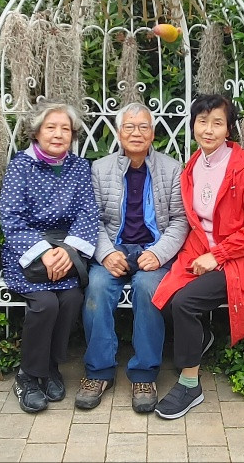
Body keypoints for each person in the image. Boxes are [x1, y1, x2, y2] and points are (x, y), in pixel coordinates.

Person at [150, 94, 244, 420]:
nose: (208, 130)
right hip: (200, 251)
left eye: (217, 123)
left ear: (228, 129)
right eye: (202, 122)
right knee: (162, 296)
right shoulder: (194, 164)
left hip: (238, 258)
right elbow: (195, 222)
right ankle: (201, 338)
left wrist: (218, 255)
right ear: (193, 126)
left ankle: (190, 384)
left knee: (184, 303)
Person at [76, 103, 190, 413]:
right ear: (118, 133)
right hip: (114, 249)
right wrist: (106, 253)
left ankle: (144, 375)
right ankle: (98, 372)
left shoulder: (171, 169)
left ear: (152, 133)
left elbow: (180, 220)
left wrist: (158, 253)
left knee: (149, 288)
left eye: (143, 127)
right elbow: (93, 219)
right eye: (129, 126)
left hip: (153, 249)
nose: (136, 133)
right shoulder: (100, 169)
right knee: (97, 288)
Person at [0, 101, 100, 414]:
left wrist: (68, 251)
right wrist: (44, 252)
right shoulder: (21, 166)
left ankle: (51, 368)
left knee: (70, 299)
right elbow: (11, 218)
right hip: (28, 255)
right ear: (37, 132)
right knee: (45, 303)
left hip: (67, 252)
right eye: (51, 127)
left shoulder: (79, 168)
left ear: (73, 135)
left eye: (65, 129)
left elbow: (88, 213)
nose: (58, 134)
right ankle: (28, 376)